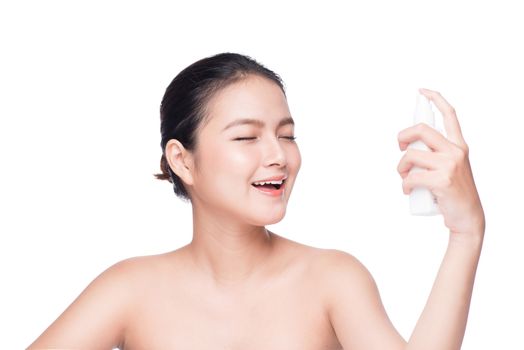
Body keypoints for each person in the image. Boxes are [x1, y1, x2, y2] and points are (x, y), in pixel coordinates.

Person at [28, 52, 485, 350]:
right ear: (182, 161)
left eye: (287, 135)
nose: (278, 155)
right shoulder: (128, 289)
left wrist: (466, 233)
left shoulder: (332, 279)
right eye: (247, 136)